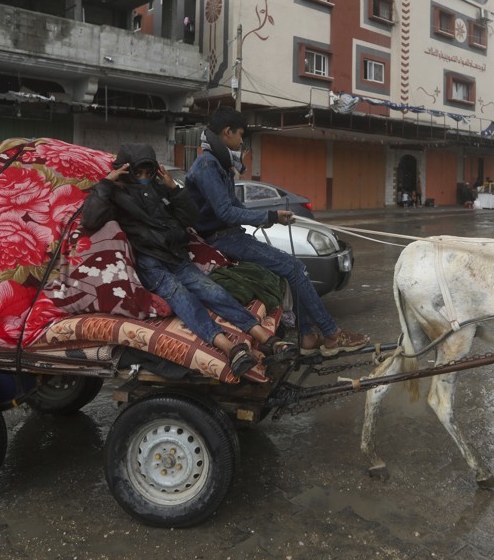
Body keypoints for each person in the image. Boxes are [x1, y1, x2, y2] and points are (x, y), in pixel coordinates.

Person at [80, 143, 295, 377]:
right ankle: (230, 348)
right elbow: (90, 220)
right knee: (180, 296)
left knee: (212, 291)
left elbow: (190, 217)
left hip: (177, 255)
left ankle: (266, 339)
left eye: (148, 172)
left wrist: (174, 190)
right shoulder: (114, 194)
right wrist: (105, 183)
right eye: (137, 172)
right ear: (125, 170)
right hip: (150, 262)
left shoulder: (160, 189)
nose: (143, 177)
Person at [186, 107, 371, 356]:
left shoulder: (217, 162)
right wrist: (269, 216)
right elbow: (226, 213)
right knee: (295, 268)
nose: (242, 142)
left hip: (231, 234)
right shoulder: (208, 165)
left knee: (295, 269)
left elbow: (235, 206)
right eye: (240, 135)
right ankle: (331, 334)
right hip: (222, 238)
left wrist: (272, 218)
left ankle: (307, 335)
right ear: (227, 132)